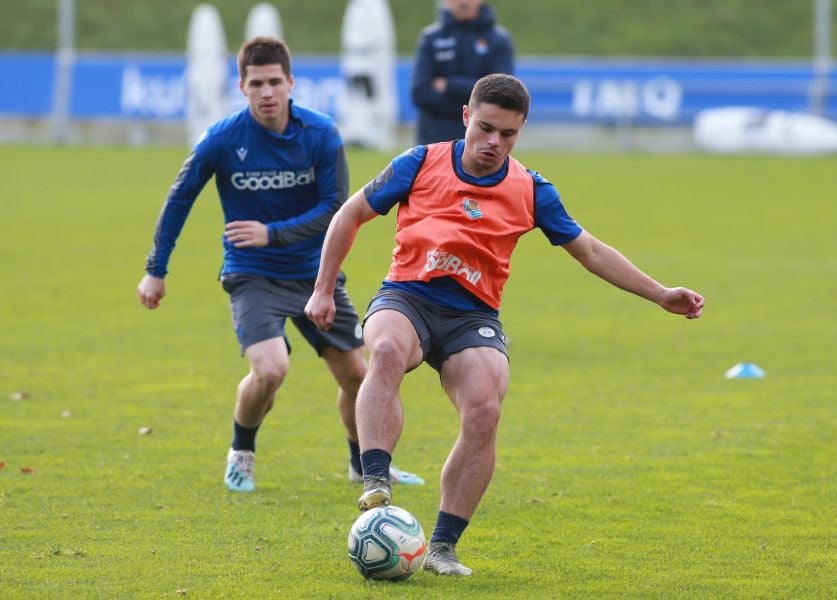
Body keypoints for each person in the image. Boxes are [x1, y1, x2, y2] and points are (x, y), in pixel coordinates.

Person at [305, 73, 705, 576]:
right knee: (383, 352)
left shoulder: (531, 189)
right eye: (486, 128)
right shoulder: (420, 162)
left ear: (520, 132)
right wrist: (322, 288)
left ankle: (443, 548)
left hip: (473, 316)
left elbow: (592, 251)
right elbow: (349, 215)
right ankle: (376, 481)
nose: (494, 143)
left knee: (485, 408)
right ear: (467, 116)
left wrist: (660, 293)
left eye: (508, 134)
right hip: (408, 295)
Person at [136, 36, 421, 493]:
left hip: (315, 276)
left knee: (358, 377)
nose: (266, 92)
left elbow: (334, 207)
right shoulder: (222, 138)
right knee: (269, 370)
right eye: (256, 83)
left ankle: (363, 466)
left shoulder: (321, 133)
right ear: (242, 87)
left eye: (274, 82)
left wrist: (273, 232)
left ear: (291, 83)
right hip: (252, 276)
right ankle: (241, 454)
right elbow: (179, 198)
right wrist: (156, 268)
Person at [411, 0, 514, 145]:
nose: (463, 2)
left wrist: (448, 85)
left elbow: (500, 94)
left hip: (482, 145)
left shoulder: (499, 40)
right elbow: (419, 93)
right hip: (434, 143)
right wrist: (474, 100)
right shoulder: (431, 38)